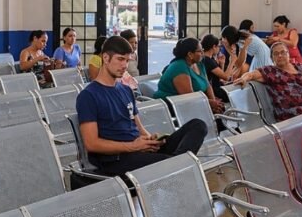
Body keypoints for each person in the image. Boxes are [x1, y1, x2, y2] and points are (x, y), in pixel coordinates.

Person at [76, 36, 207, 177]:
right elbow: (91, 143)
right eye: (120, 59)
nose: (124, 66)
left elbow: (139, 128)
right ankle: (175, 167)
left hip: (138, 150)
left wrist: (151, 139)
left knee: (198, 126)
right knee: (175, 164)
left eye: (127, 60)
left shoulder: (125, 90)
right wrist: (132, 146)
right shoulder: (88, 95)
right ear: (106, 58)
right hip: (117, 158)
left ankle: (174, 165)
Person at [235, 41, 302, 122]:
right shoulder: (270, 71)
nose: (280, 55)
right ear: (272, 58)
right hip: (293, 116)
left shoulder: (299, 67)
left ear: (288, 54)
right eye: (276, 54)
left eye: (283, 52)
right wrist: (243, 79)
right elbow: (251, 74)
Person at [153, 37, 225, 113]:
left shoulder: (199, 64)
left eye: (202, 50)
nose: (203, 53)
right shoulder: (179, 66)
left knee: (220, 110)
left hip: (191, 103)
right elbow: (189, 97)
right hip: (169, 107)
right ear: (190, 54)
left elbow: (207, 85)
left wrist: (214, 102)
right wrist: (209, 103)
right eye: (200, 51)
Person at [201, 34, 234, 103]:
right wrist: (232, 61)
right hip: (214, 91)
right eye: (219, 46)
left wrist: (222, 64)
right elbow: (226, 77)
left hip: (215, 87)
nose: (220, 49)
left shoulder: (210, 58)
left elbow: (219, 77)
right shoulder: (207, 60)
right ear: (214, 47)